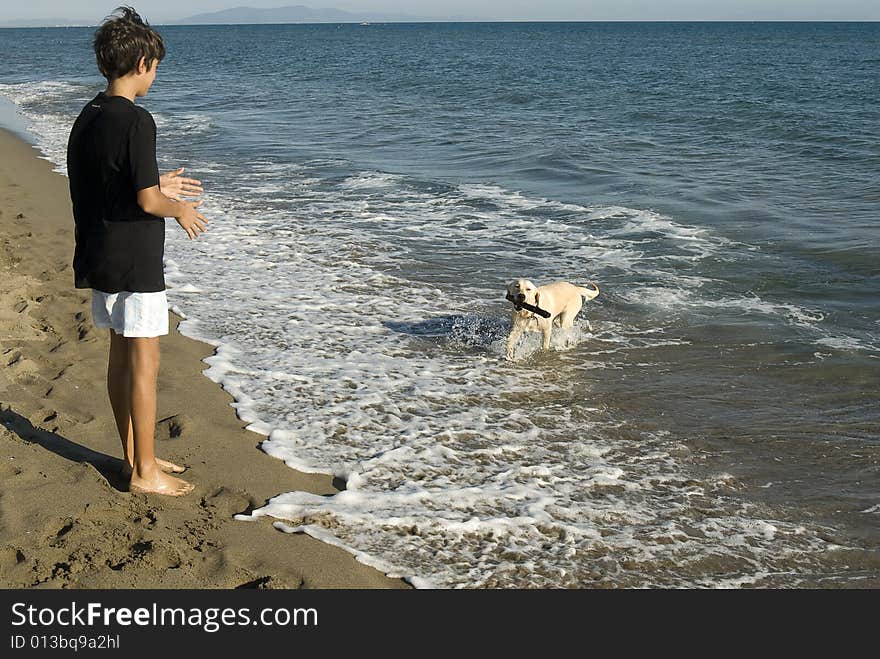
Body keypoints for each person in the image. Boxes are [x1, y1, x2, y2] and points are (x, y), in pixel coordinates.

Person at [67, 6, 208, 496]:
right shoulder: (137, 120)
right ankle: (146, 473)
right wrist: (179, 208)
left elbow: (103, 182)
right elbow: (148, 201)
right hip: (135, 259)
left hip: (101, 254)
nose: (156, 74)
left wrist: (153, 183)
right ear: (143, 62)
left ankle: (136, 455)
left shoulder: (89, 114)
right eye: (156, 65)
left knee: (119, 356)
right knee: (145, 361)